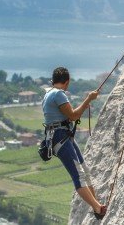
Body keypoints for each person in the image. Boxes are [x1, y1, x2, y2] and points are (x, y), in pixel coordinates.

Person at [42, 67, 106, 220]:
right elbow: (73, 116)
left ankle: (97, 206)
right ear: (67, 81)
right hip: (60, 137)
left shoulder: (48, 94)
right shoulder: (58, 94)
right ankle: (98, 208)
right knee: (79, 175)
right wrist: (88, 99)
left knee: (85, 171)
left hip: (62, 136)